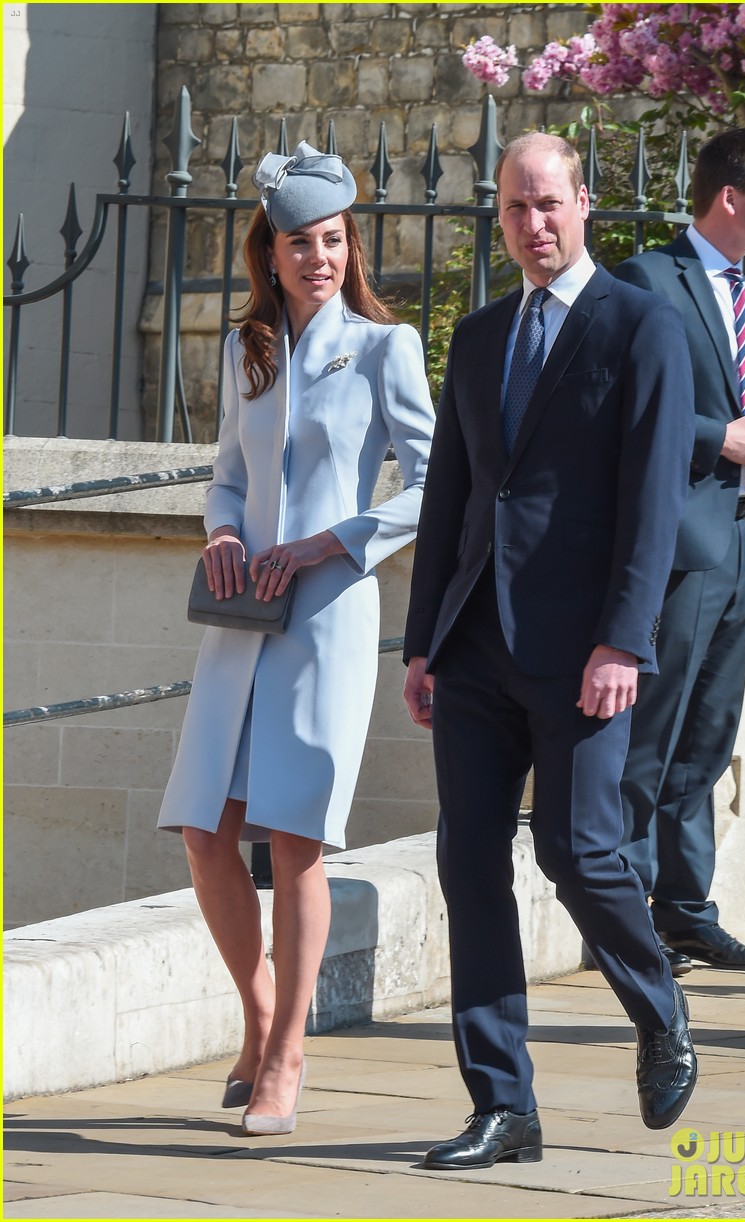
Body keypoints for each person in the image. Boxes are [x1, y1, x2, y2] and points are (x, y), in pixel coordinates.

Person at [402, 132, 698, 1171]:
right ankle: (502, 1104)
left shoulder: (640, 327)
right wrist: (421, 641)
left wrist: (623, 638)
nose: (533, 224)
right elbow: (451, 493)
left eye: (548, 204)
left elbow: (651, 501)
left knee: (578, 851)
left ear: (584, 202)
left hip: (582, 649)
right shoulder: (480, 335)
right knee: (466, 859)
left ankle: (657, 1009)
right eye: (515, 208)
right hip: (474, 641)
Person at [157, 142, 436, 1135]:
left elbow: (432, 482)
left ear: (346, 245)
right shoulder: (246, 351)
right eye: (297, 243)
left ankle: (286, 1057)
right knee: (203, 830)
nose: (317, 256)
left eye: (331, 239)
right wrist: (225, 530)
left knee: (294, 838)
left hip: (324, 616)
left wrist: (334, 542)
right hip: (239, 617)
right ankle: (260, 1012)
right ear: (267, 254)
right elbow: (227, 475)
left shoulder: (383, 347)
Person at [614, 129, 745, 977]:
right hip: (678, 544)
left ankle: (687, 914)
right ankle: (621, 913)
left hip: (739, 535)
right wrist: (718, 438)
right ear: (729, 198)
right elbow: (616, 409)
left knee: (706, 737)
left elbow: (736, 407)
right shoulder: (647, 280)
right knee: (651, 737)